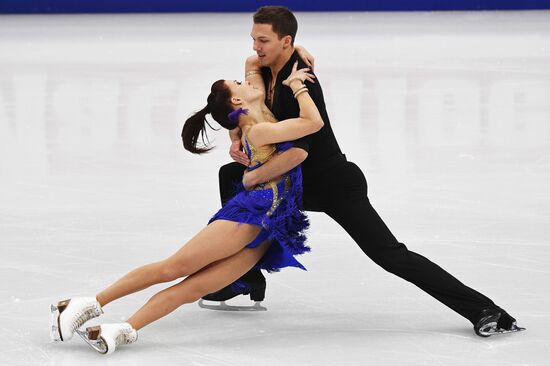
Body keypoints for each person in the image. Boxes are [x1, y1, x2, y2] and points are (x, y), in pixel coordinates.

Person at [201, 5, 524, 337]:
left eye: (263, 40)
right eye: (254, 39)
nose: (256, 47)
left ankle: (484, 309)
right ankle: (246, 276)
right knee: (229, 176)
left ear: (284, 41)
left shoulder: (301, 84)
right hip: (299, 181)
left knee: (390, 255)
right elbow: (251, 66)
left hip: (333, 184)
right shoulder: (268, 65)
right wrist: (236, 134)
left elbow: (299, 151)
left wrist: (254, 176)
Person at [49, 62, 323, 354]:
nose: (246, 80)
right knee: (174, 267)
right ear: (237, 101)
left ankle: (123, 330)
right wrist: (297, 85)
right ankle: (88, 304)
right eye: (237, 82)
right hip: (250, 213)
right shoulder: (258, 131)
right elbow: (313, 122)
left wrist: (299, 53)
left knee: (194, 289)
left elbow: (253, 65)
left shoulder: (255, 115)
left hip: (269, 227)